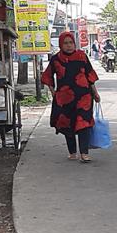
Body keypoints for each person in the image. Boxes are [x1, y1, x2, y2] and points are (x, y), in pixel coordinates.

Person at [41, 31, 101, 163]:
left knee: (83, 123)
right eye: (65, 43)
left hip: (83, 97)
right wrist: (53, 92)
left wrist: (95, 93)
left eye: (71, 43)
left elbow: (90, 76)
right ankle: (72, 152)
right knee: (67, 124)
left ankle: (84, 153)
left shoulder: (82, 56)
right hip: (64, 99)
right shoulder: (56, 59)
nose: (69, 46)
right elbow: (47, 76)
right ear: (61, 45)